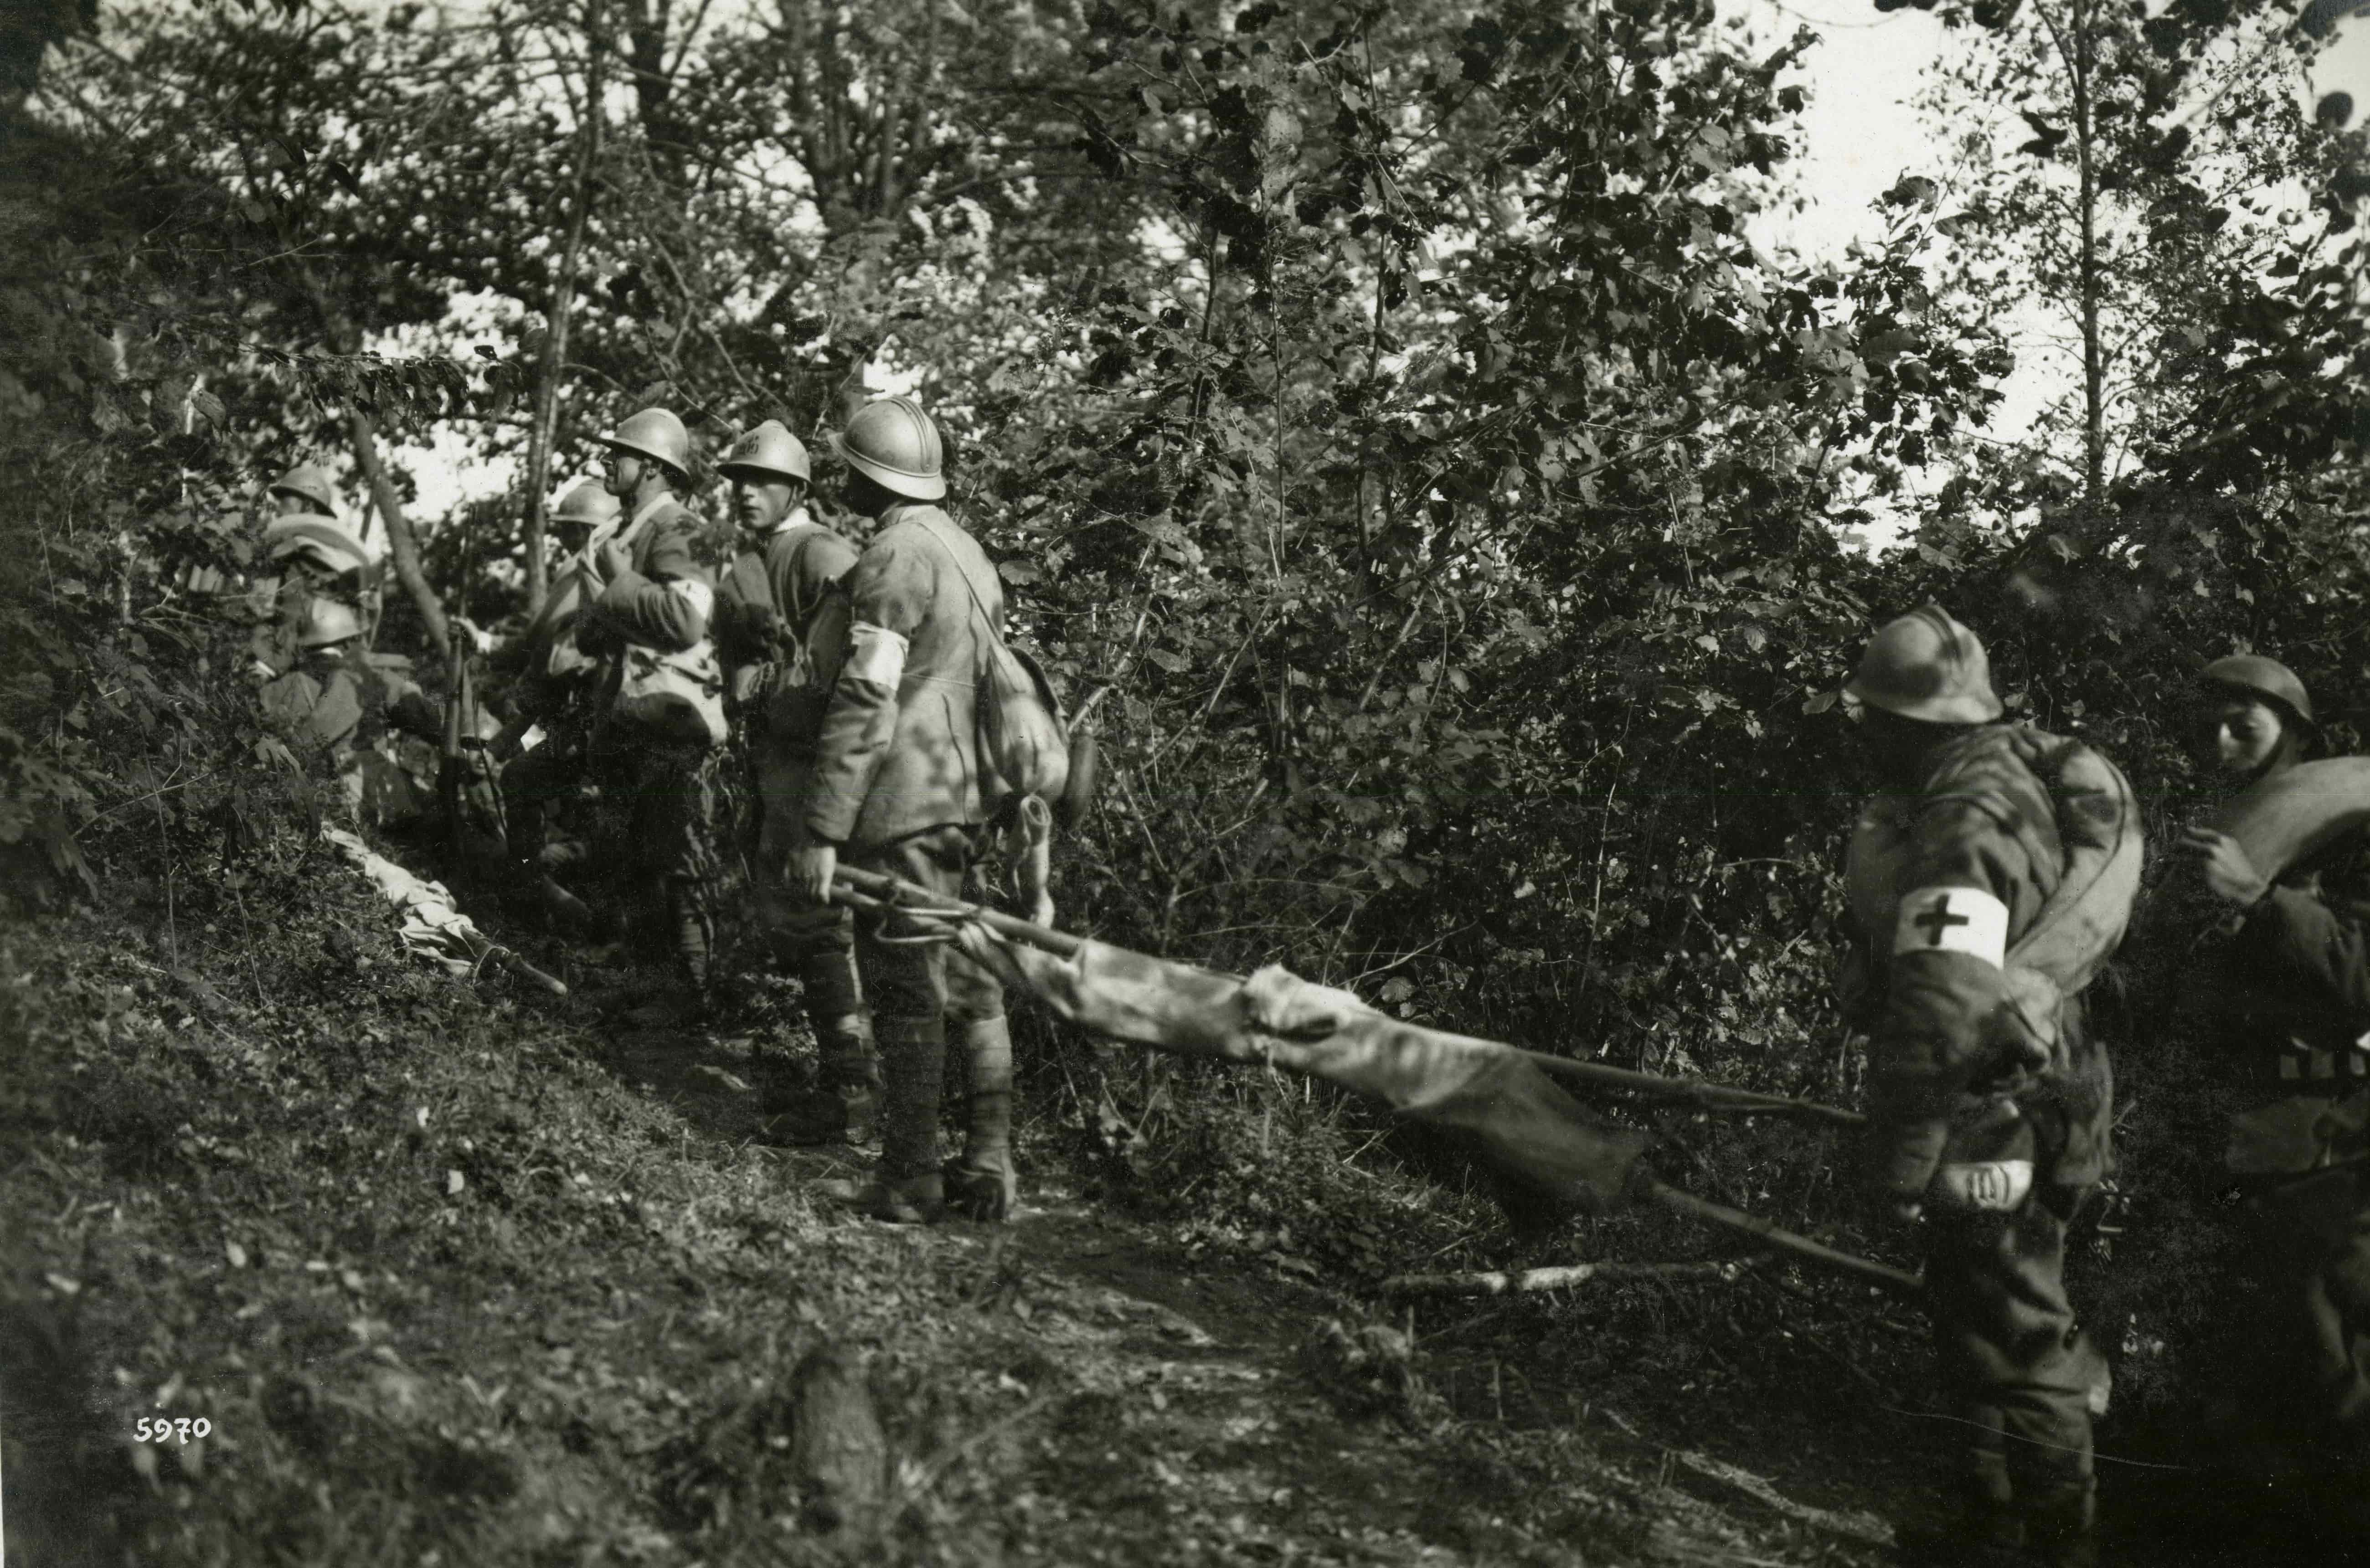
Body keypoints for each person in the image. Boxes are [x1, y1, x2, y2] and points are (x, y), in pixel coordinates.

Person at [1837, 606, 2134, 1568]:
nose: (1863, 734)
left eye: (1872, 716)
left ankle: (2059, 1546)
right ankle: (1986, 1526)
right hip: (2041, 1091)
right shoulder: (2003, 774)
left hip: (1992, 1102)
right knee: (1973, 1309)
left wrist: (1898, 1154)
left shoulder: (1966, 812)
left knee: (2018, 1331)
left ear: (1905, 722)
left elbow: (1939, 997)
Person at [792, 395, 1016, 1222]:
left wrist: (823, 825)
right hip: (967, 794)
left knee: (904, 988)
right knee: (969, 981)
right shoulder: (966, 551)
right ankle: (988, 1163)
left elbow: (865, 694)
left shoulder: (893, 555)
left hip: (903, 801)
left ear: (865, 475)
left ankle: (911, 1176)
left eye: (846, 469)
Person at [2177, 654, 2370, 1530]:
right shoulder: (2213, 829)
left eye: (2243, 725)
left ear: (2296, 732)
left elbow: (2361, 980)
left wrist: (2263, 901)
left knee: (2328, 1352)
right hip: (2221, 1129)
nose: (2221, 743)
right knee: (2233, 1363)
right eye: (2208, 725)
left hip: (2321, 1136)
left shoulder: (2353, 828)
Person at [709, 419, 879, 1142]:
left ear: (796, 491)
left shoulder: (819, 553)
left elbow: (862, 659)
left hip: (824, 768)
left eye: (763, 483)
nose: (746, 494)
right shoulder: (761, 558)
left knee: (829, 928)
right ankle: (850, 1085)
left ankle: (854, 1092)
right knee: (811, 930)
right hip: (783, 765)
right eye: (739, 483)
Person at [567, 407, 732, 1013]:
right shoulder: (623, 532)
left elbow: (685, 623)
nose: (608, 461)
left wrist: (618, 587)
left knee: (679, 856)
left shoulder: (680, 529)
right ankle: (650, 978)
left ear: (654, 469)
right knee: (638, 853)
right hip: (629, 714)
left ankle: (691, 991)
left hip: (671, 718)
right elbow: (598, 629)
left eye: (621, 454)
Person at [495, 478, 623, 928]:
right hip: (593, 721)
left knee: (594, 812)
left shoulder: (602, 580)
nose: (567, 543)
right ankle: (541, 890)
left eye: (573, 532)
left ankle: (548, 894)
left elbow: (550, 648)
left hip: (613, 725)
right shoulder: (596, 579)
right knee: (526, 778)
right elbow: (551, 660)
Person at [260, 599, 441, 825]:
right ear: (349, 642)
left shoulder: (281, 686)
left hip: (295, 793)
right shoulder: (364, 676)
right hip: (360, 795)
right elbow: (424, 718)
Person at [249, 464, 381, 677]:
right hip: (348, 657)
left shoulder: (301, 554)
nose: (278, 507)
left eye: (285, 500)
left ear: (308, 507)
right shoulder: (338, 556)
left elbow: (293, 614)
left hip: (309, 658)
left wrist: (268, 665)